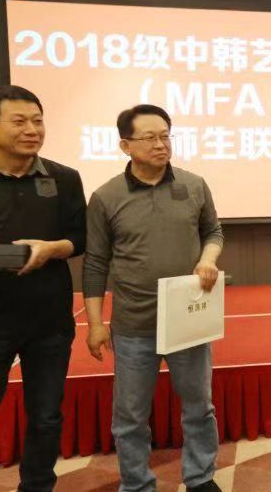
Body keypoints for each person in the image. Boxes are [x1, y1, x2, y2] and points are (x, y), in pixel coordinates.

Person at [82, 104, 223, 492]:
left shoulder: (194, 185)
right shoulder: (106, 196)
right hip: (134, 325)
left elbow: (213, 232)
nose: (161, 144)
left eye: (165, 136)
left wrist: (208, 259)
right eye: (149, 137)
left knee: (199, 407)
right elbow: (95, 263)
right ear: (125, 145)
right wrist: (95, 324)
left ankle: (200, 478)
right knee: (130, 416)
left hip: (188, 319)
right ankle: (137, 484)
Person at [0, 85, 86, 491]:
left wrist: (52, 249)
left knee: (46, 417)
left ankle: (37, 486)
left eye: (38, 121)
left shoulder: (64, 178)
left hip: (49, 324)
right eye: (19, 122)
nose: (32, 130)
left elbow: (80, 237)